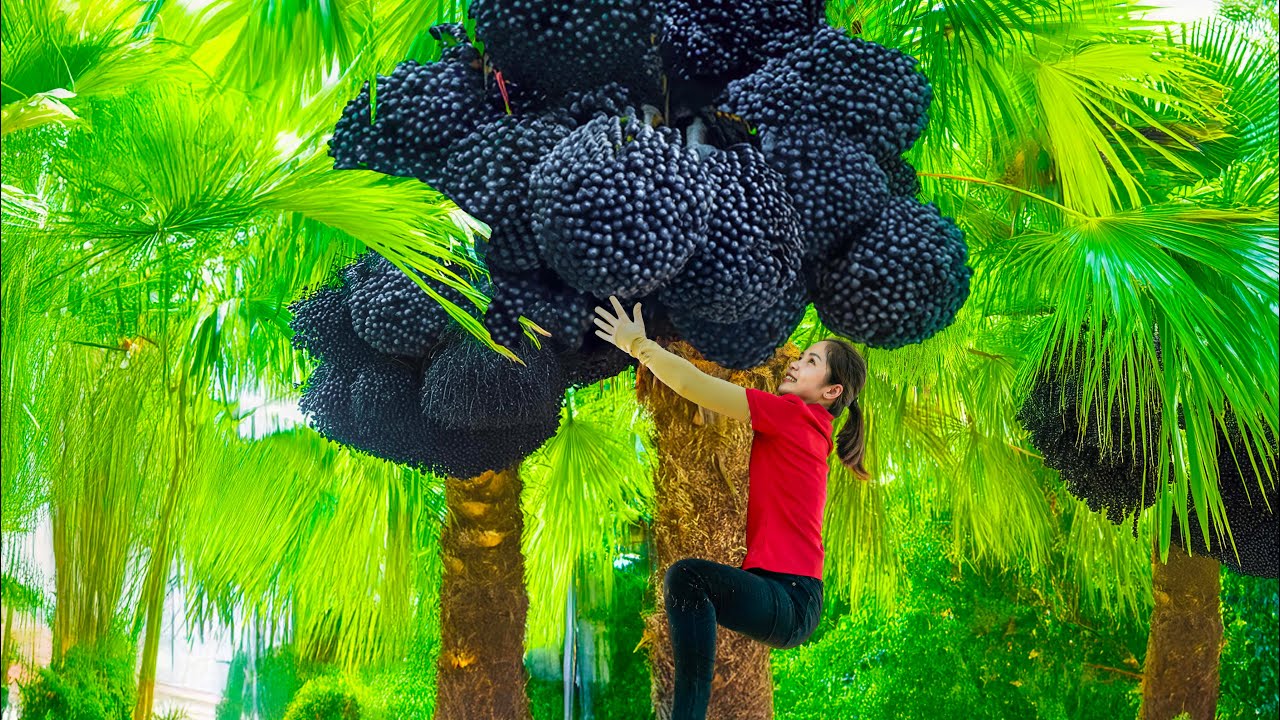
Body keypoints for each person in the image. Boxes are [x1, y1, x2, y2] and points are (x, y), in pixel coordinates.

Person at [593, 296, 869, 720]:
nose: (795, 362)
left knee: (687, 579)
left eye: (811, 361)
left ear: (831, 391)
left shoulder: (797, 416)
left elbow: (694, 386)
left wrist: (638, 345)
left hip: (790, 598)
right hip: (789, 598)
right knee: (690, 585)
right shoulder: (808, 426)